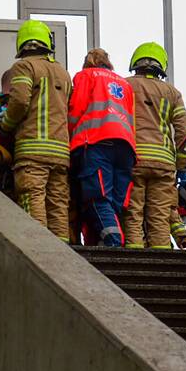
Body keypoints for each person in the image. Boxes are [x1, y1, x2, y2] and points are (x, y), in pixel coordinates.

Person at [0, 20, 72, 241]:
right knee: (58, 206)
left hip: (32, 151)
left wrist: (5, 126)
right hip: (60, 153)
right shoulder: (63, 72)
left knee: (33, 201)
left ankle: (39, 252)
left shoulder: (24, 67)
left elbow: (19, 101)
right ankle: (63, 256)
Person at [123, 42, 186, 249]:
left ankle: (135, 255)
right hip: (163, 163)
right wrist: (182, 164)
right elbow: (183, 130)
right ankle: (162, 255)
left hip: (134, 159)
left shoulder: (125, 85)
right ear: (161, 65)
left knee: (133, 213)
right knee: (159, 216)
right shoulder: (172, 92)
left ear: (136, 62)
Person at [67, 48, 135, 247]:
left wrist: (69, 135)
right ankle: (104, 240)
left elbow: (75, 110)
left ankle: (114, 243)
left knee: (97, 197)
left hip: (96, 143)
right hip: (126, 147)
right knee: (114, 202)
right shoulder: (124, 84)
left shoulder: (85, 76)